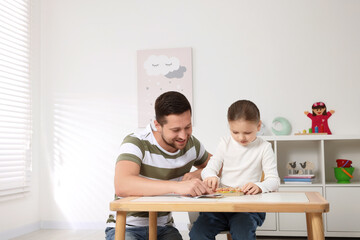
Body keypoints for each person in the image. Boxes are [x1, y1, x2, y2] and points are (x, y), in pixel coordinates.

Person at [105, 91, 213, 240]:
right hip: (128, 227)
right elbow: (122, 185)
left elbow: (219, 165)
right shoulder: (137, 143)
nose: (183, 136)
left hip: (163, 227)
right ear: (157, 125)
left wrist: (199, 173)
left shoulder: (192, 144)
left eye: (187, 127)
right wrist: (176, 187)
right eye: (175, 130)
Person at [189, 100, 280, 240]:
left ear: (259, 126)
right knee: (198, 234)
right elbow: (208, 170)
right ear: (229, 126)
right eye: (235, 132)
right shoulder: (224, 143)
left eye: (247, 132)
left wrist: (259, 186)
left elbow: (274, 180)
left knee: (243, 234)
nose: (241, 137)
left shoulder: (264, 147)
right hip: (220, 206)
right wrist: (210, 177)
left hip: (247, 209)